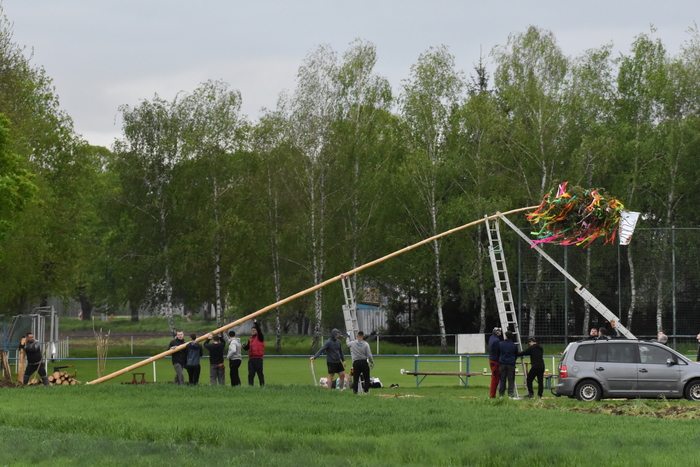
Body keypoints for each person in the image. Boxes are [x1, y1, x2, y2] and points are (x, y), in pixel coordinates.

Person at [243, 319, 265, 387]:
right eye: (252, 330)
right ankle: (251, 386)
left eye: (254, 330)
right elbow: (247, 348)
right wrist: (244, 346)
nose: (253, 331)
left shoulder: (260, 337)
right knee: (251, 374)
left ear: (257, 331)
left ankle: (262, 385)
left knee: (259, 373)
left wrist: (255, 323)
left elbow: (259, 330)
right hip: (251, 359)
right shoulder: (250, 339)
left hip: (258, 359)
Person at [498, 331, 518, 398]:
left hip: (502, 363)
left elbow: (498, 352)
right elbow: (516, 354)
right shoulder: (514, 345)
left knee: (502, 379)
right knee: (511, 379)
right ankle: (510, 394)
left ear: (506, 336)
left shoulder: (501, 344)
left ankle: (501, 394)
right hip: (511, 363)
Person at [488, 327, 503, 398]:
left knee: (495, 377)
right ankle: (492, 394)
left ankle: (493, 394)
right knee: (495, 378)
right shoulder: (497, 341)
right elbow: (498, 351)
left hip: (491, 359)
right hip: (495, 361)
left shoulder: (491, 338)